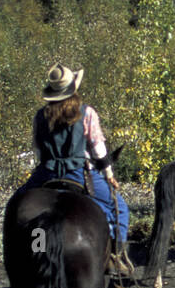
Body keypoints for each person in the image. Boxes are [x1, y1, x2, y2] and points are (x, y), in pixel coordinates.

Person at [14, 64, 130, 258]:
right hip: (79, 172)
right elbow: (98, 149)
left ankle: (31, 253)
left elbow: (38, 150)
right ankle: (115, 257)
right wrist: (109, 174)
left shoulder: (40, 116)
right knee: (120, 209)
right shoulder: (87, 113)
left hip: (46, 173)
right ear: (73, 90)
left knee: (17, 205)